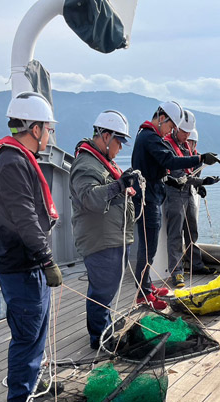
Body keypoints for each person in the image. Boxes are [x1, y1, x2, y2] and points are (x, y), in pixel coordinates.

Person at [0, 91, 63, 402]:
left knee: (37, 333)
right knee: (27, 337)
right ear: (34, 128)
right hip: (22, 265)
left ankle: (34, 383)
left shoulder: (15, 158)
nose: (49, 135)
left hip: (28, 264)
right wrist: (47, 259)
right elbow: (25, 217)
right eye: (47, 128)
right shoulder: (14, 163)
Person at [131, 101, 219, 309]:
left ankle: (147, 287)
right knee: (148, 247)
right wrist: (200, 158)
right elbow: (170, 161)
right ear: (162, 118)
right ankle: (143, 294)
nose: (170, 131)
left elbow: (162, 167)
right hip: (148, 198)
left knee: (150, 247)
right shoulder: (150, 137)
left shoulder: (148, 136)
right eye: (171, 127)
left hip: (152, 195)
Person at [69, 110, 140, 350]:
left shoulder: (102, 162)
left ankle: (102, 330)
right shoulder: (86, 164)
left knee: (106, 290)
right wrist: (120, 184)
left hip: (113, 237)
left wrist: (126, 183)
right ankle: (100, 339)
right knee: (102, 291)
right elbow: (90, 198)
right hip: (101, 241)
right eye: (119, 141)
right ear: (106, 136)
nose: (120, 148)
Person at [163, 111, 220, 288]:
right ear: (176, 128)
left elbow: (190, 174)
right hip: (174, 193)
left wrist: (199, 185)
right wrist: (202, 181)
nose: (187, 136)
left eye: (189, 133)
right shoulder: (167, 147)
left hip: (187, 193)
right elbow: (179, 175)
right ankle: (177, 273)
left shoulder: (186, 147)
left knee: (191, 231)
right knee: (175, 234)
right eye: (184, 132)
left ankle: (196, 265)